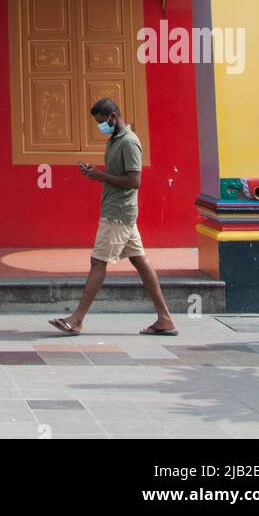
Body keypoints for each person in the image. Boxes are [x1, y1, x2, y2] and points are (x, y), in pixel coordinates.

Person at [49, 98, 178, 337]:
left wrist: (101, 177)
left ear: (112, 117)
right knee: (140, 260)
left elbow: (134, 180)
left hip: (118, 214)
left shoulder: (129, 142)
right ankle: (165, 319)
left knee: (98, 262)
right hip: (121, 212)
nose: (100, 127)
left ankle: (76, 319)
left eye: (101, 122)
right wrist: (97, 174)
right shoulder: (115, 140)